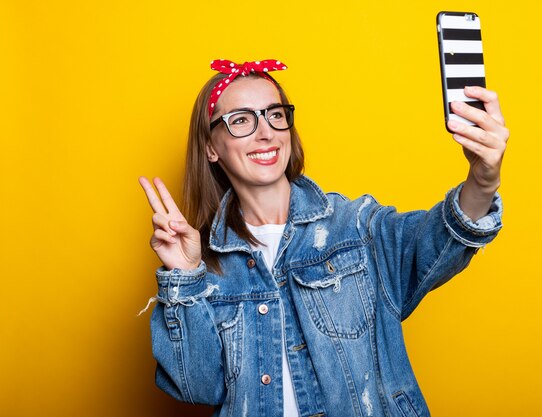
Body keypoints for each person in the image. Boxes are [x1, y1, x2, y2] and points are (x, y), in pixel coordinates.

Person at [139, 59, 508, 417]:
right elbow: (197, 388)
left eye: (276, 114)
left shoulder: (357, 227)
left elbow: (440, 239)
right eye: (241, 121)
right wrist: (185, 278)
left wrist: (482, 180)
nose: (265, 132)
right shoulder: (203, 264)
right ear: (211, 148)